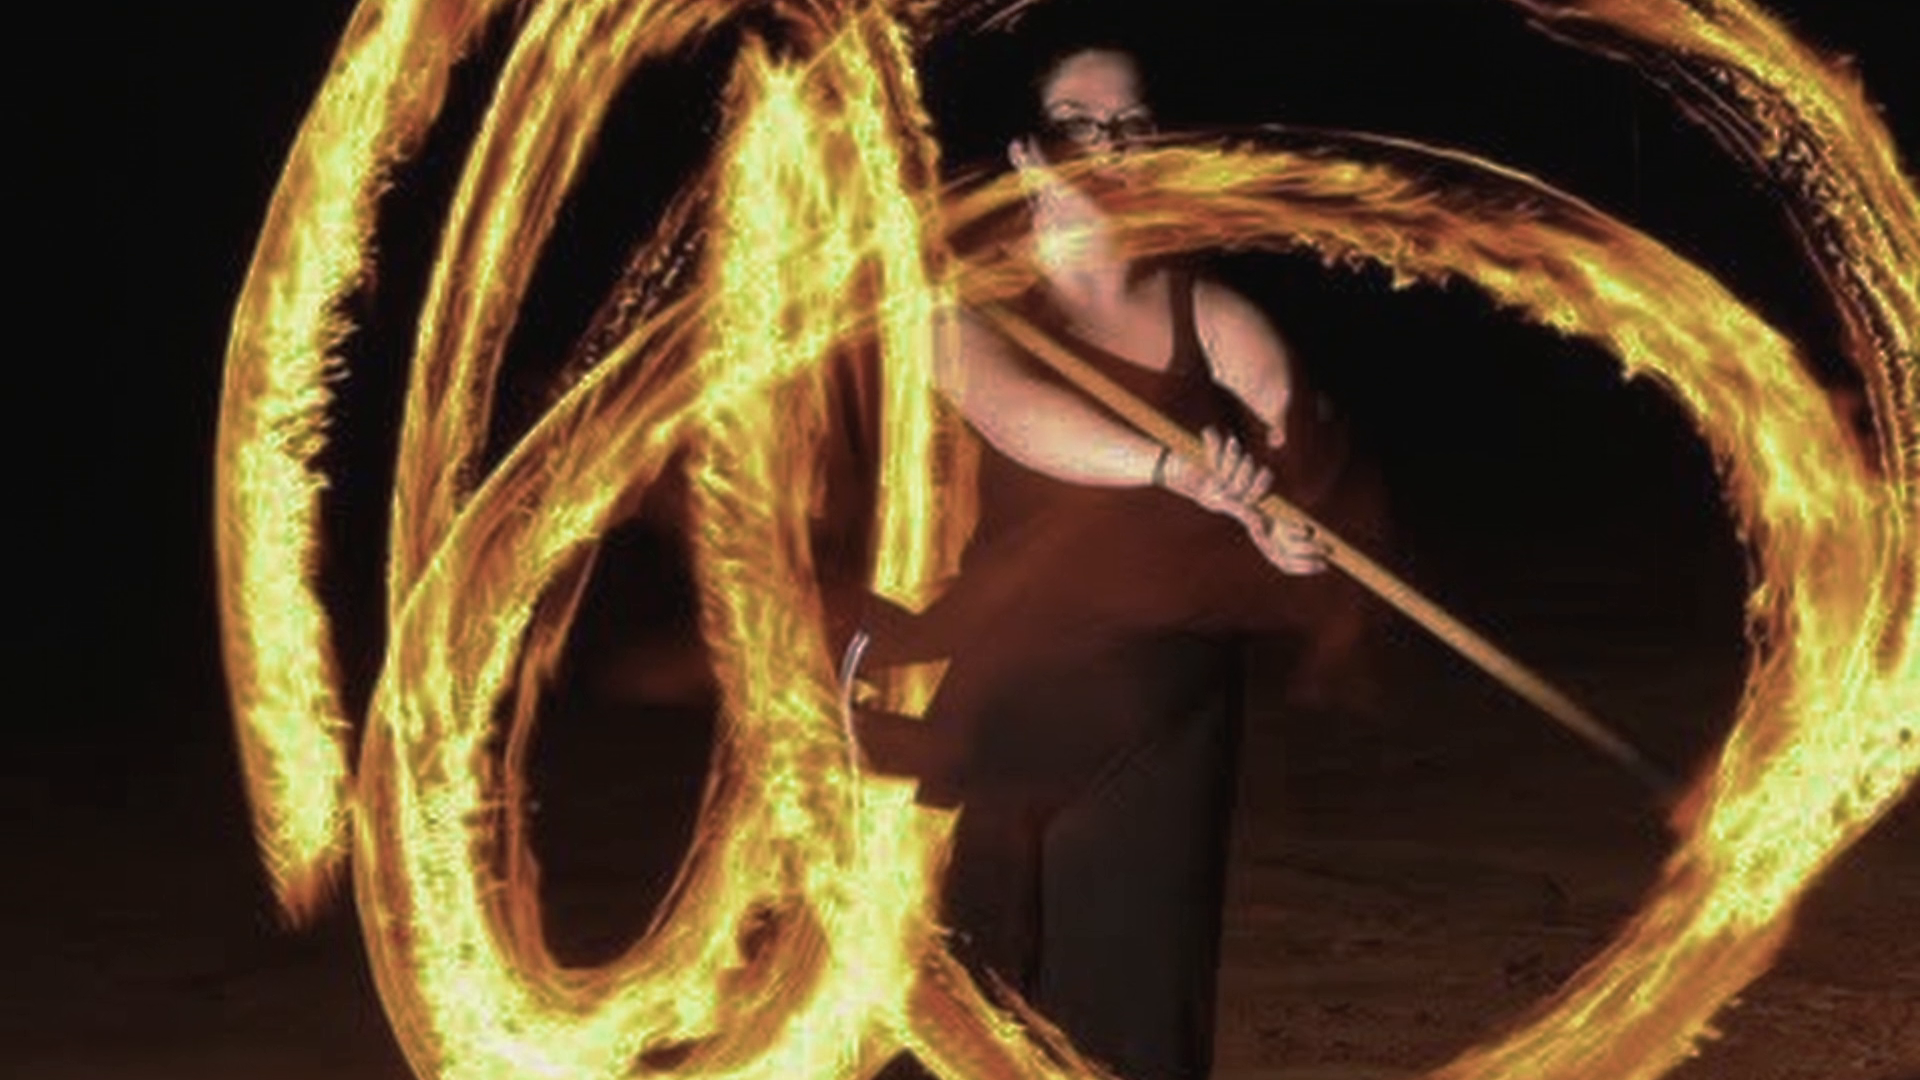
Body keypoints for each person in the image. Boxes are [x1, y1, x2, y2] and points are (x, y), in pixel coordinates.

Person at [854, 23, 1375, 1080]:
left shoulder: (1215, 317)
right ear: (1029, 154)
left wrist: (1292, 531)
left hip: (1165, 700)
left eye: (1132, 123)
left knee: (1136, 1007)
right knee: (974, 997)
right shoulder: (972, 309)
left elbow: (1300, 467)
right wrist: (1173, 469)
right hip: (1020, 684)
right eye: (1077, 123)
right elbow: (1020, 417)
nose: (1109, 144)